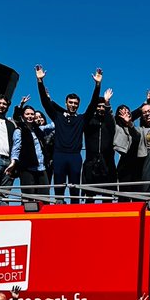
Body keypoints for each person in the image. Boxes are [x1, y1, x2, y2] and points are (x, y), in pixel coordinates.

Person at [35, 65, 102, 200]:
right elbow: (45, 103)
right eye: (70, 102)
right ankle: (59, 210)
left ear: (78, 105)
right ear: (66, 103)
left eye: (75, 103)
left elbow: (93, 104)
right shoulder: (57, 117)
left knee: (74, 190)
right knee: (58, 190)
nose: (73, 105)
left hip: (75, 157)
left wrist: (98, 85)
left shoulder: (82, 119)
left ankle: (75, 212)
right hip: (59, 155)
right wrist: (40, 82)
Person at [11, 103, 52, 197]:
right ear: (23, 116)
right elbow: (16, 148)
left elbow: (52, 126)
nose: (30, 116)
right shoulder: (19, 130)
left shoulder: (38, 130)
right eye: (27, 114)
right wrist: (13, 161)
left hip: (41, 167)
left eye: (32, 114)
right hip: (27, 168)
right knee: (28, 197)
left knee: (45, 196)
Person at [83, 89, 118, 191]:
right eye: (99, 106)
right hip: (90, 163)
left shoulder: (110, 122)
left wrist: (107, 103)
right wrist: (97, 86)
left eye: (103, 106)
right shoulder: (88, 122)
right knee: (89, 196)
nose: (101, 108)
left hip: (108, 163)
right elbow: (88, 113)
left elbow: (114, 119)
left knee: (108, 196)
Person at [112, 106, 143, 188]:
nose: (125, 113)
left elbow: (137, 137)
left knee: (137, 192)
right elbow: (109, 118)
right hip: (125, 163)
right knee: (124, 192)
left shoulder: (135, 128)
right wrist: (107, 103)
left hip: (137, 163)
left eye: (127, 111)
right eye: (122, 112)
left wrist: (147, 102)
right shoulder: (116, 126)